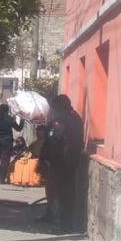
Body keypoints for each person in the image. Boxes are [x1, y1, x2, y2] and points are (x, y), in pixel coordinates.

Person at [38, 94, 84, 232]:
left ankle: (61, 224)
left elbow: (55, 142)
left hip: (60, 162)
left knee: (60, 194)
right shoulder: (75, 118)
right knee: (63, 193)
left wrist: (46, 157)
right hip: (70, 161)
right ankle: (55, 218)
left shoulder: (61, 121)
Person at [0, 104, 24, 182]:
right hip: (7, 141)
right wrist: (22, 119)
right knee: (5, 160)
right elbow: (18, 129)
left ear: (0, 110)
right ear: (7, 110)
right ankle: (2, 178)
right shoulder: (10, 119)